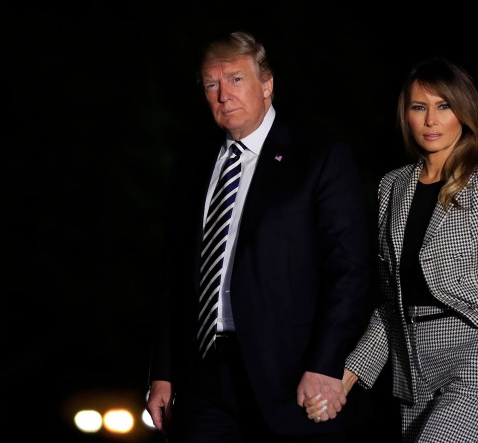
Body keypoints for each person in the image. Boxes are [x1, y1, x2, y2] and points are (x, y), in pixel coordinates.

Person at [304, 56, 478, 442]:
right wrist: (343, 380)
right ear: (406, 115)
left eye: (443, 106)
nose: (431, 120)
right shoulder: (392, 187)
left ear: (463, 112)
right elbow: (391, 306)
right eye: (419, 107)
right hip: (413, 368)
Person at [145, 30, 372, 442]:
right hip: (204, 376)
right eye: (211, 84)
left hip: (288, 377)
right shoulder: (192, 165)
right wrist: (162, 373)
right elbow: (173, 275)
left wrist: (325, 364)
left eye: (235, 79)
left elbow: (350, 269)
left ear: (266, 84)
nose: (223, 95)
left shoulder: (317, 156)